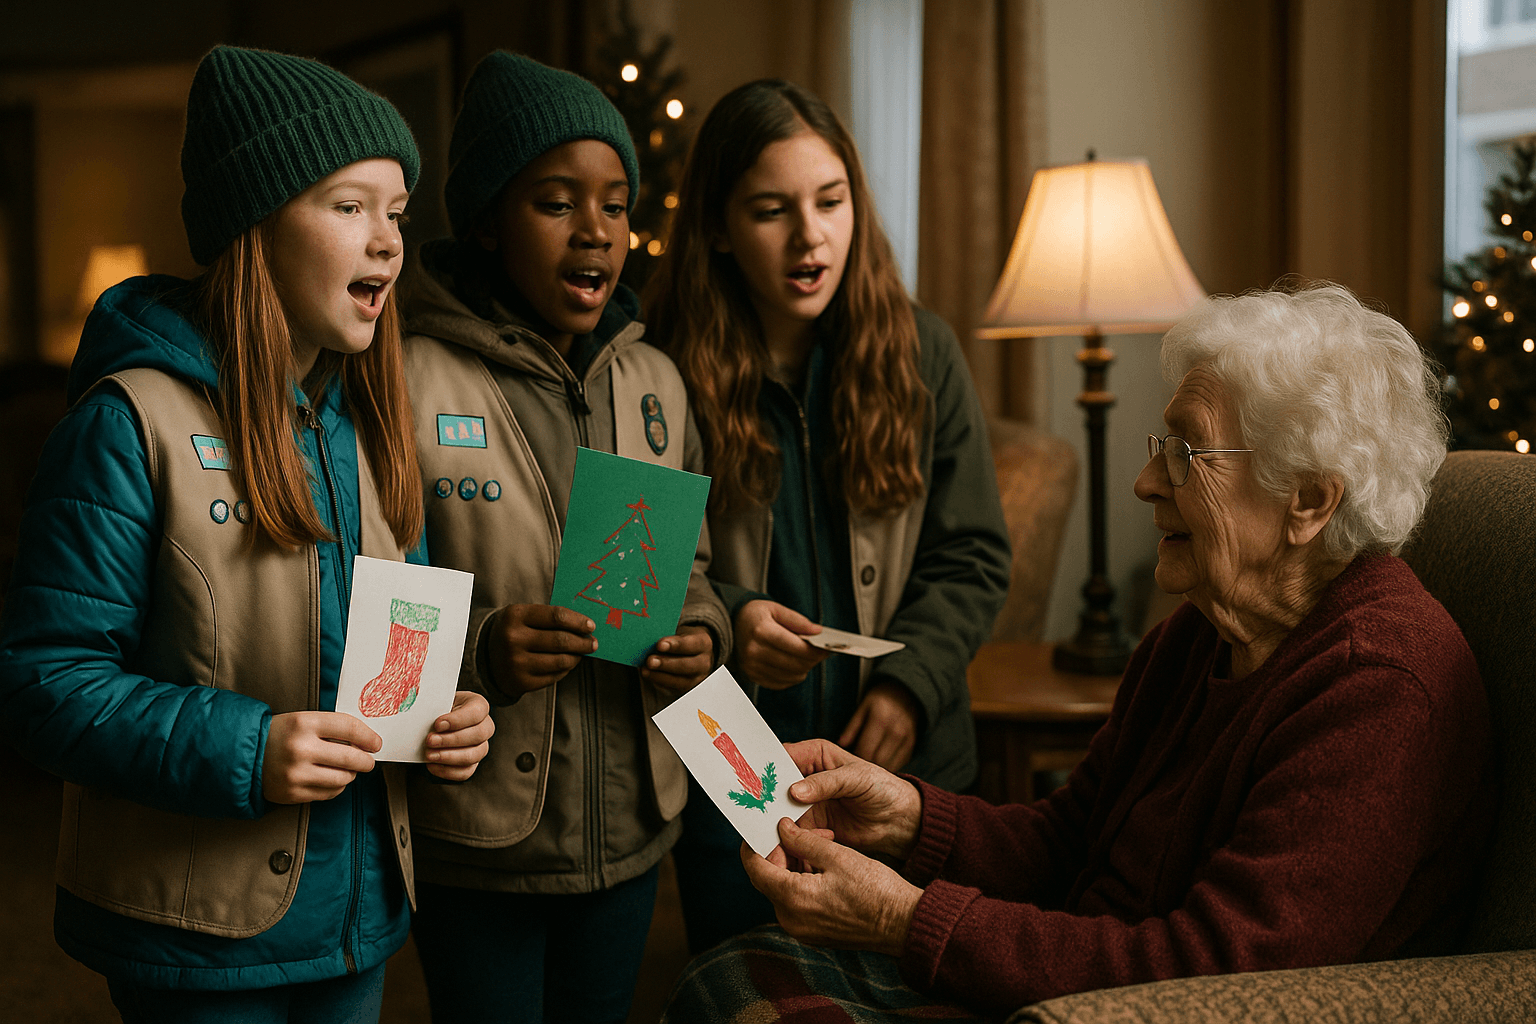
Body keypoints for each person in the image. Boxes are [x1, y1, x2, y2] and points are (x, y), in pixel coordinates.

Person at [662, 283, 1497, 1020]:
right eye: (1158, 447)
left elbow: (1216, 976)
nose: (1146, 483)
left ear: (1309, 501)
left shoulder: (1378, 687)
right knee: (732, 975)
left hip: (1145, 1009)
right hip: (1087, 977)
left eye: (1187, 452)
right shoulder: (1199, 634)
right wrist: (906, 817)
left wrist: (904, 920)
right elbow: (1072, 839)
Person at [0, 46, 495, 1024]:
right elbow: (43, 681)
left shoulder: (374, 428)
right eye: (351, 207)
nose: (390, 242)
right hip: (197, 934)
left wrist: (446, 712)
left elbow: (401, 649)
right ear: (254, 224)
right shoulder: (127, 423)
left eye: (397, 213)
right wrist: (247, 749)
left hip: (356, 915)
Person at [398, 52, 731, 1024]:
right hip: (480, 840)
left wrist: (701, 633)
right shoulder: (411, 381)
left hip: (630, 823)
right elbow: (362, 600)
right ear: (491, 222)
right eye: (557, 201)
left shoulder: (657, 383)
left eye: (617, 204)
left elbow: (696, 571)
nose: (597, 230)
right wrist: (483, 648)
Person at [644, 78, 1011, 953]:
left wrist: (909, 685)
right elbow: (642, 576)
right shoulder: (655, 375)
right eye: (772, 210)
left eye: (831, 201)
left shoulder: (924, 352)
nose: (811, 237)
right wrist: (732, 616)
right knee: (753, 992)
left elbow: (974, 554)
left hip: (910, 765)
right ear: (721, 230)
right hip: (736, 772)